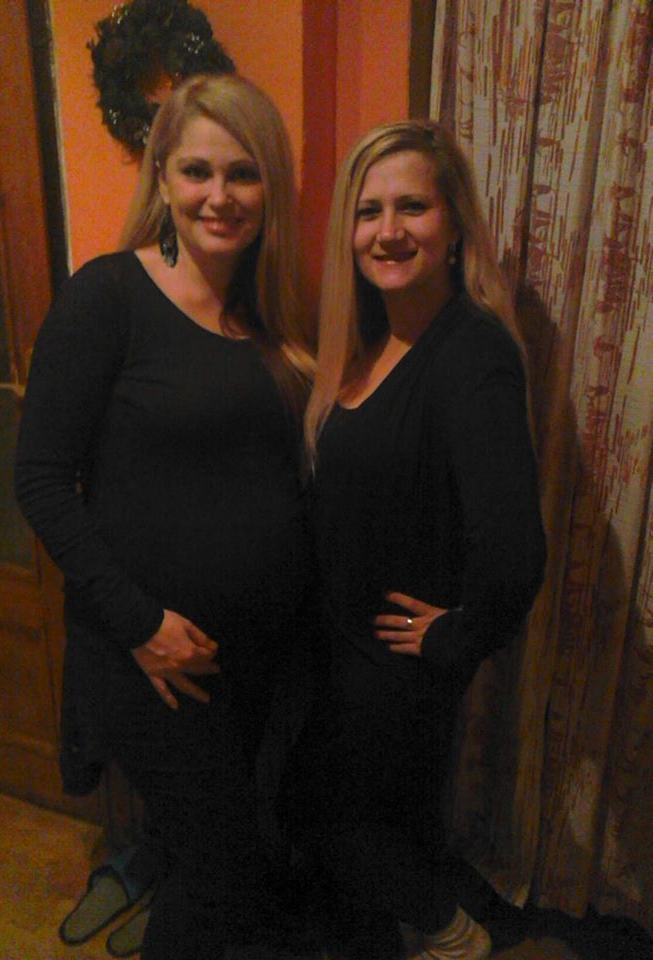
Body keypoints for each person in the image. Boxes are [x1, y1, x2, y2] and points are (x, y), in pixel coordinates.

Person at [15, 73, 314, 960]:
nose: (220, 196)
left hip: (251, 658)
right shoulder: (107, 296)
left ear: (271, 186)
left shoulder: (271, 313)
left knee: (223, 851)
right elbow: (40, 481)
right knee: (222, 875)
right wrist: (141, 625)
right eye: (197, 171)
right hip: (148, 658)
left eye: (244, 173)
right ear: (162, 176)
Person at [288, 120, 547, 960]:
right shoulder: (372, 339)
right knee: (355, 824)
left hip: (395, 665)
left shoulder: (471, 352)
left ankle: (454, 937)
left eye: (412, 207)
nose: (388, 231)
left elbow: (516, 550)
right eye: (368, 212)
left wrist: (455, 636)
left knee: (333, 819)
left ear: (454, 225)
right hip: (339, 648)